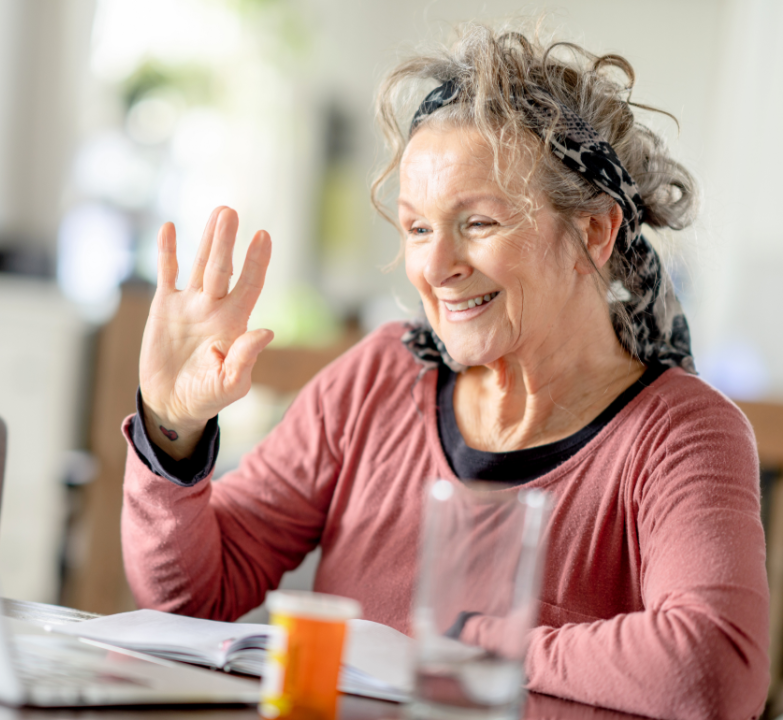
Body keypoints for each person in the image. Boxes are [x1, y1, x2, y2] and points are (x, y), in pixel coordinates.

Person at [119, 25, 769, 720]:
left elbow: (713, 671)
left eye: (479, 223)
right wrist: (173, 428)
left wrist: (474, 643)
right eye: (418, 228)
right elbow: (192, 596)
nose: (432, 267)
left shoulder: (681, 433)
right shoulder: (379, 378)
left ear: (593, 232)